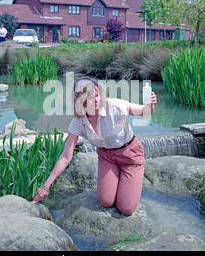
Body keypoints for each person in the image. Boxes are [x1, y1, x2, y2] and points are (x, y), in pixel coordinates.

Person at [32, 76, 157, 215]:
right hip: (107, 158)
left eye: (97, 95)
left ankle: (130, 177)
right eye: (91, 97)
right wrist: (46, 186)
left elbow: (144, 111)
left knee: (126, 209)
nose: (97, 100)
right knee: (106, 202)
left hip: (130, 156)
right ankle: (119, 179)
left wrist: (150, 105)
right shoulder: (78, 122)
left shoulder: (114, 106)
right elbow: (66, 156)